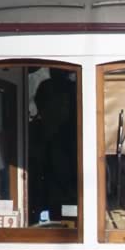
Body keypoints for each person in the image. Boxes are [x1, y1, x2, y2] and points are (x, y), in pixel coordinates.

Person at [27, 70, 77, 225]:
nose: (61, 109)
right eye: (56, 103)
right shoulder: (30, 134)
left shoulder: (75, 135)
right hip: (34, 205)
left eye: (65, 103)